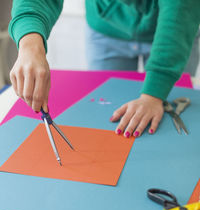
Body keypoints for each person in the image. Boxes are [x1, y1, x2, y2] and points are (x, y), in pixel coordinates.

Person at [8, 0, 200, 137]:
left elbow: (180, 8)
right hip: (105, 24)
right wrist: (30, 45)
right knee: (105, 112)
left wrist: (153, 94)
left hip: (176, 29)